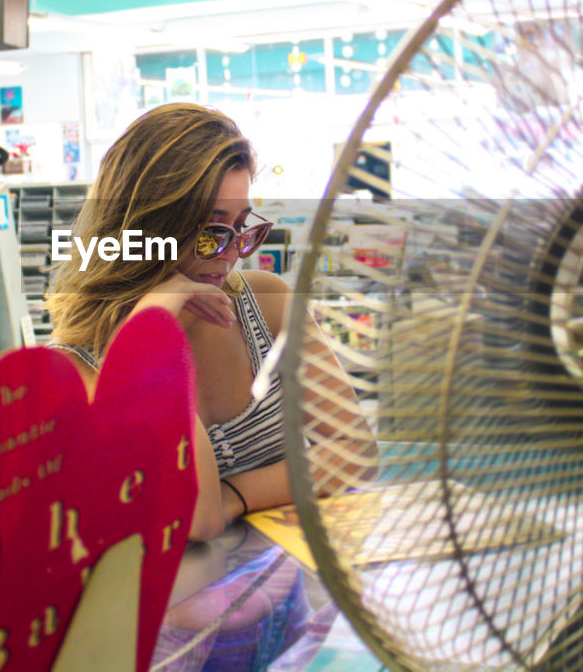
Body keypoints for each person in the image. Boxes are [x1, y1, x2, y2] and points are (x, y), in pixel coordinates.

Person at [46, 103, 377, 542]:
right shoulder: (78, 365)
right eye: (212, 229)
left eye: (241, 228)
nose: (232, 253)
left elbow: (355, 454)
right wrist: (152, 326)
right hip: (165, 606)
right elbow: (198, 516)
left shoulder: (267, 303)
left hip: (279, 590)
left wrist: (235, 495)